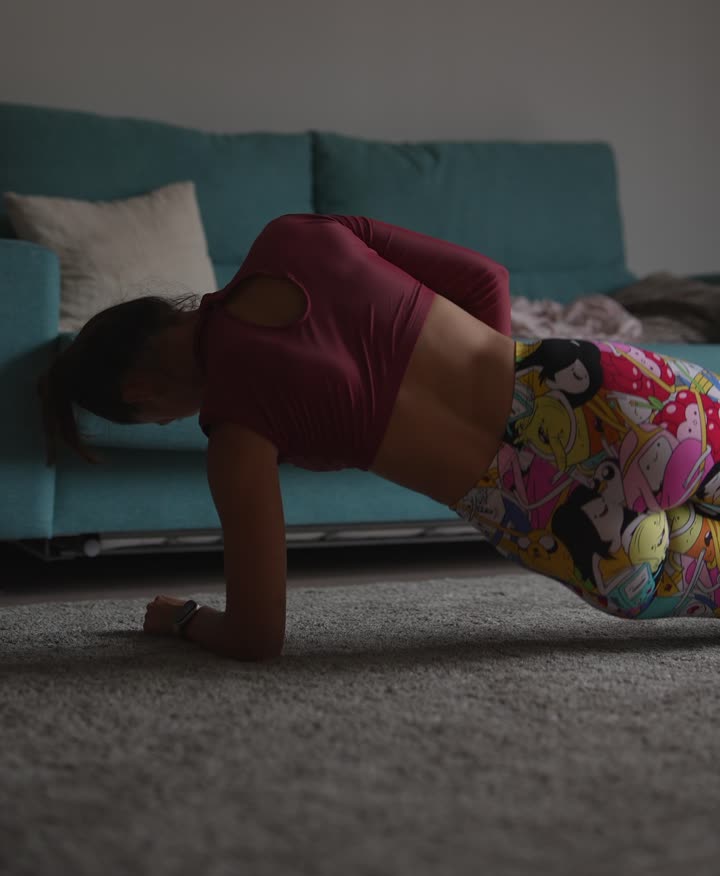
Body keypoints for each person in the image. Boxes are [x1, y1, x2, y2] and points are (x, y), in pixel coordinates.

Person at [38, 212, 720, 660]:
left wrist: (179, 620)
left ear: (139, 394)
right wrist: (510, 391)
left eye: (149, 419)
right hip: (605, 396)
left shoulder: (235, 439)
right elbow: (488, 276)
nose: (168, 424)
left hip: (544, 514)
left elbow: (256, 636)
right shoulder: (291, 239)